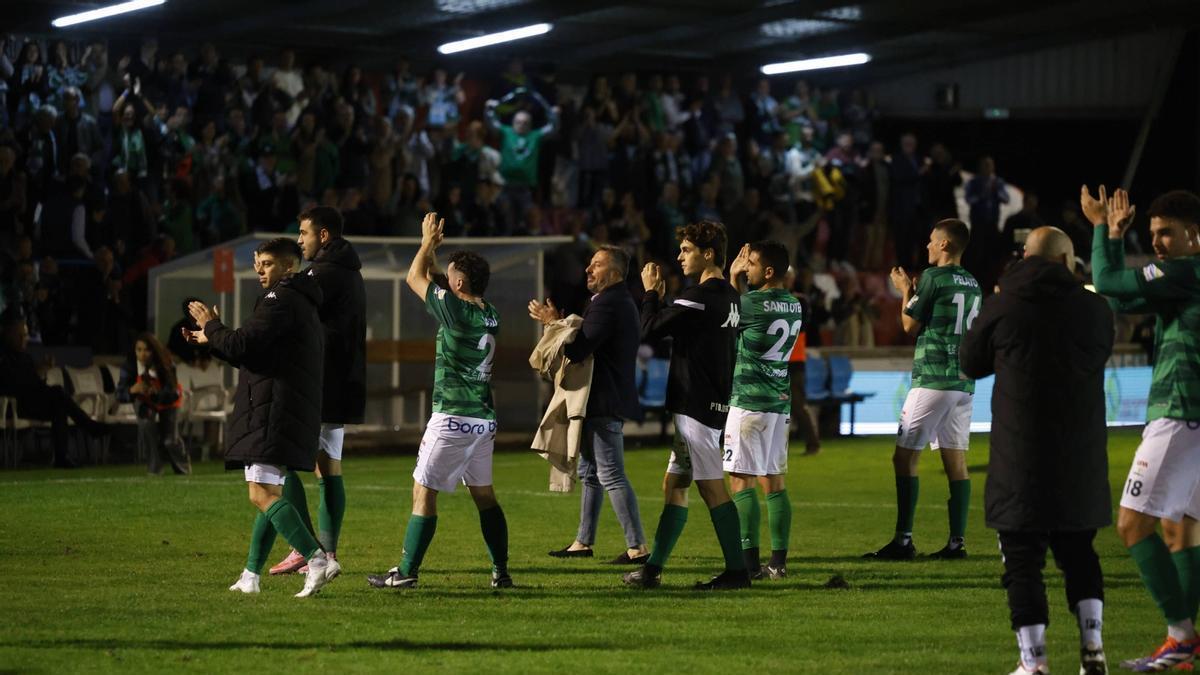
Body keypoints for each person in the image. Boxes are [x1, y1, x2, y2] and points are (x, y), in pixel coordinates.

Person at [960, 227, 1113, 675]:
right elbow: (1099, 352)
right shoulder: (1094, 308)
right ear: (1069, 262)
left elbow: (971, 361)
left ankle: (1034, 662)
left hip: (1019, 455)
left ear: (1024, 257)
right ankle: (1093, 648)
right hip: (1080, 454)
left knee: (1023, 562)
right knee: (1080, 554)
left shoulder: (1004, 302)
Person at [1082, 186, 1200, 671]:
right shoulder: (1183, 279)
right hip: (1193, 416)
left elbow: (1109, 281)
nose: (1157, 243)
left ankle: (1181, 636)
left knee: (1132, 524)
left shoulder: (1185, 270)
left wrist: (1103, 231)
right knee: (1181, 531)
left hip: (1179, 409)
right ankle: (1184, 643)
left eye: (1166, 233)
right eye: (1152, 234)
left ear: (1195, 235)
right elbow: (1126, 299)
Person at [182, 238, 337, 597]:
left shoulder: (280, 299)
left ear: (288, 266)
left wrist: (212, 326)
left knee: (259, 494)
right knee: (270, 494)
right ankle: (251, 575)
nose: (259, 269)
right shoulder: (301, 301)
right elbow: (254, 354)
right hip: (284, 406)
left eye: (267, 263)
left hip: (271, 409)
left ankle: (316, 558)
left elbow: (242, 345)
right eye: (258, 263)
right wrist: (213, 338)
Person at [367, 213, 511, 590]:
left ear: (459, 282)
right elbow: (435, 278)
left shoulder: (456, 311)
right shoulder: (489, 313)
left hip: (453, 417)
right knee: (484, 496)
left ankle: (406, 572)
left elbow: (414, 277)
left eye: (451, 276)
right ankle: (501, 571)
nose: (445, 279)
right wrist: (433, 254)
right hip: (482, 419)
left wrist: (426, 242)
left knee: (423, 491)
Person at [621, 220, 750, 590]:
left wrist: (649, 294)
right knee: (675, 484)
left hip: (696, 406)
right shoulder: (729, 296)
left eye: (686, 250)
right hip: (708, 402)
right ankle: (652, 569)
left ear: (707, 254)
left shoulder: (700, 295)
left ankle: (737, 572)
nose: (679, 256)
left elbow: (648, 330)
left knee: (712, 488)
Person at [865, 218, 981, 560]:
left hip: (933, 378)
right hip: (963, 381)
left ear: (945, 245)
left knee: (904, 456)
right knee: (956, 461)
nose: (927, 246)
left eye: (932, 240)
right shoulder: (974, 283)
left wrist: (905, 290)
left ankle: (903, 540)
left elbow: (908, 324)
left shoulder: (934, 277)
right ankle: (956, 543)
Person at [530, 246, 649, 564]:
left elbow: (578, 350)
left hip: (602, 399)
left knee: (610, 473)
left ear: (614, 273)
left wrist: (555, 323)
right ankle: (583, 541)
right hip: (607, 397)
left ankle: (637, 547)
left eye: (596, 265)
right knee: (592, 473)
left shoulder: (609, 304)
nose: (588, 269)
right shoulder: (617, 301)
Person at [269, 206, 365, 576]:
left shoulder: (320, 274)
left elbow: (291, 321)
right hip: (341, 384)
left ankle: (304, 548)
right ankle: (330, 550)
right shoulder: (351, 272)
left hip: (318, 383)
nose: (299, 239)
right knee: (328, 468)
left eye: (304, 233)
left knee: (287, 460)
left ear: (323, 235)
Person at [723, 240, 803, 579]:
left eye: (751, 264)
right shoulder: (794, 306)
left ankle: (749, 564)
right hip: (777, 405)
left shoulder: (751, 303)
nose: (746, 268)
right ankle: (778, 563)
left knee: (742, 482)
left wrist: (732, 278)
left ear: (768, 271)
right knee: (775, 481)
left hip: (748, 405)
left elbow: (725, 322)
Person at [0, 308, 107, 468]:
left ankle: (62, 456)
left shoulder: (25, 357)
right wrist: (38, 374)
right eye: (20, 335)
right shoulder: (4, 357)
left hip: (30, 402)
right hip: (12, 405)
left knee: (59, 405)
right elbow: (14, 384)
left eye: (25, 335)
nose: (24, 340)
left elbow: (35, 383)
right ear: (8, 334)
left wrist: (41, 372)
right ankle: (88, 427)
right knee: (57, 394)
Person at [116, 332, 191, 476]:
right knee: (146, 427)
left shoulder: (166, 363)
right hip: (143, 401)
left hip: (168, 400)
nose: (142, 354)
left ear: (154, 350)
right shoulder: (129, 367)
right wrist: (132, 390)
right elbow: (119, 394)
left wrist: (156, 393)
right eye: (139, 350)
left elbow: (173, 392)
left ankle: (183, 469)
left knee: (170, 440)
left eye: (147, 350)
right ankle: (154, 470)